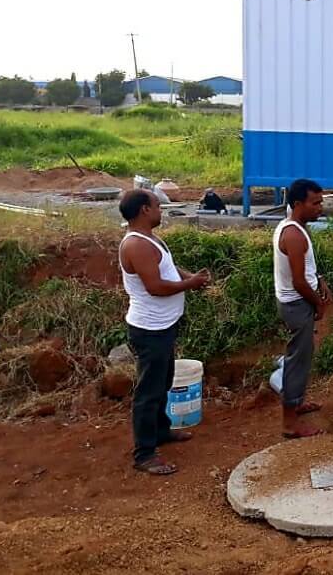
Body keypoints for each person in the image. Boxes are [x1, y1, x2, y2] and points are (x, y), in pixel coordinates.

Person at [118, 189, 210, 475]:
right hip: (150, 329)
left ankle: (160, 431)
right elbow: (156, 287)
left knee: (163, 381)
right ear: (145, 210)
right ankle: (144, 454)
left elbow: (167, 267)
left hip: (162, 326)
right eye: (158, 206)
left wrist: (189, 277)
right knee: (149, 392)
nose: (161, 210)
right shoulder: (137, 245)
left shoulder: (149, 239)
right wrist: (190, 284)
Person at [273, 178, 331, 438]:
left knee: (302, 357)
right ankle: (289, 423)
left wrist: (319, 280)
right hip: (297, 304)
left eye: (321, 202)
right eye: (315, 203)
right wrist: (318, 303)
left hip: (298, 301)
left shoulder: (295, 227)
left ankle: (296, 404)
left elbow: (305, 269)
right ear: (298, 204)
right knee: (297, 360)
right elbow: (298, 281)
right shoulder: (294, 235)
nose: (320, 207)